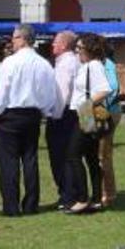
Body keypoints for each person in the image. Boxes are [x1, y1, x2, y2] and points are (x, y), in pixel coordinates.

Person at [0, 23, 62, 216]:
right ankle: (31, 204)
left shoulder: (10, 63)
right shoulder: (44, 64)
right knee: (30, 159)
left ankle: (11, 206)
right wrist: (44, 111)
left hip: (10, 115)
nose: (11, 42)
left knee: (9, 162)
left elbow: (1, 90)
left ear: (22, 39)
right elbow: (49, 94)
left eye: (14, 38)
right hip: (32, 115)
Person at [65, 34, 111, 214]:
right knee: (91, 156)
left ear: (90, 50)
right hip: (85, 112)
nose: (77, 52)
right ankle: (97, 198)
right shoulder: (89, 66)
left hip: (86, 113)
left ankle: (82, 198)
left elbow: (105, 89)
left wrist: (86, 105)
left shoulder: (94, 65)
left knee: (73, 154)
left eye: (79, 48)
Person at [46, 31, 79, 211]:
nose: (52, 45)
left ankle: (67, 195)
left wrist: (54, 116)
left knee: (60, 157)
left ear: (64, 45)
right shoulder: (72, 61)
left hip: (63, 114)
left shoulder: (66, 64)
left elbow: (62, 92)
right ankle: (70, 193)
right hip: (70, 114)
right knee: (68, 156)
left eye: (55, 42)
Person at [98, 39, 122, 209]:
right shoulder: (100, 64)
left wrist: (102, 103)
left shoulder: (107, 64)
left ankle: (107, 193)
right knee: (101, 153)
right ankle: (103, 191)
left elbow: (113, 87)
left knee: (103, 153)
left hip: (107, 111)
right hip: (99, 110)